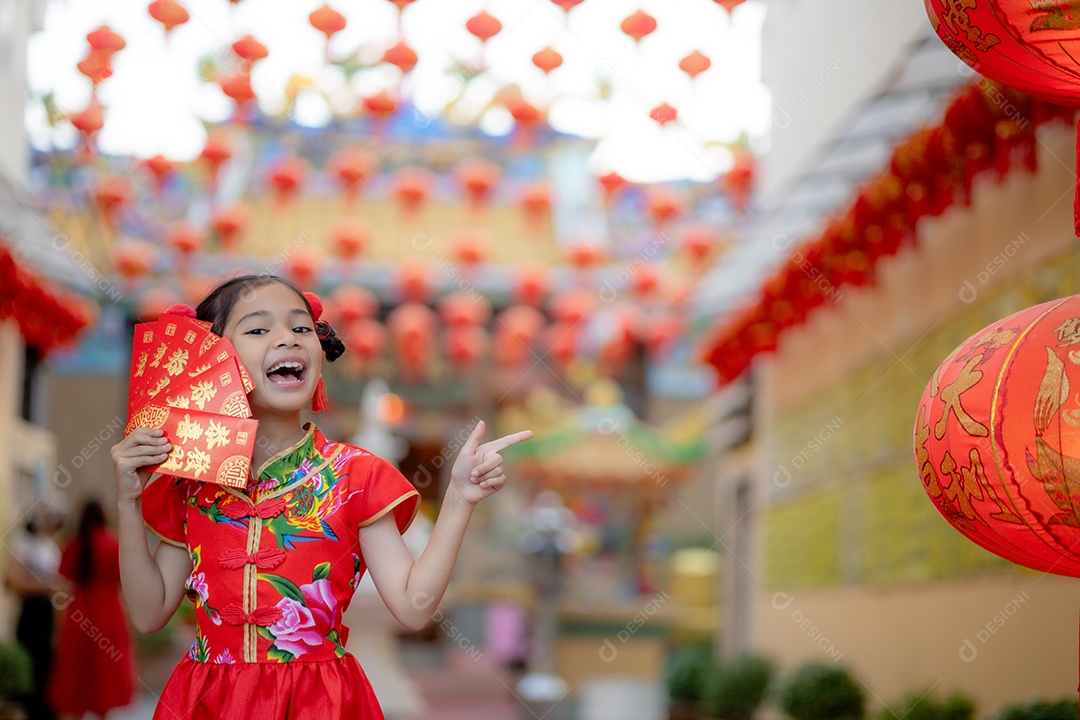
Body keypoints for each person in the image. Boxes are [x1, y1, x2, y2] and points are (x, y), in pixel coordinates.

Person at [110, 274, 532, 719]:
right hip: (209, 703)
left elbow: (413, 608)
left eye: (301, 328)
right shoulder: (190, 482)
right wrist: (128, 500)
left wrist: (460, 499)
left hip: (320, 703)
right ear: (211, 361)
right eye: (258, 329)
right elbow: (148, 613)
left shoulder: (356, 475)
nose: (287, 340)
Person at [47, 498, 134, 719]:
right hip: (108, 616)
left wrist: (59, 628)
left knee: (78, 680)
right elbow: (125, 587)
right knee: (104, 681)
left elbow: (62, 590)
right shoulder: (113, 544)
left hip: (78, 617)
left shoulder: (73, 545)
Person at [5, 507, 64, 720]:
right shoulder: (23, 542)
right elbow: (12, 580)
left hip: (48, 615)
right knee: (32, 672)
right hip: (31, 615)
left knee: (47, 673)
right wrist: (48, 586)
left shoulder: (50, 545)